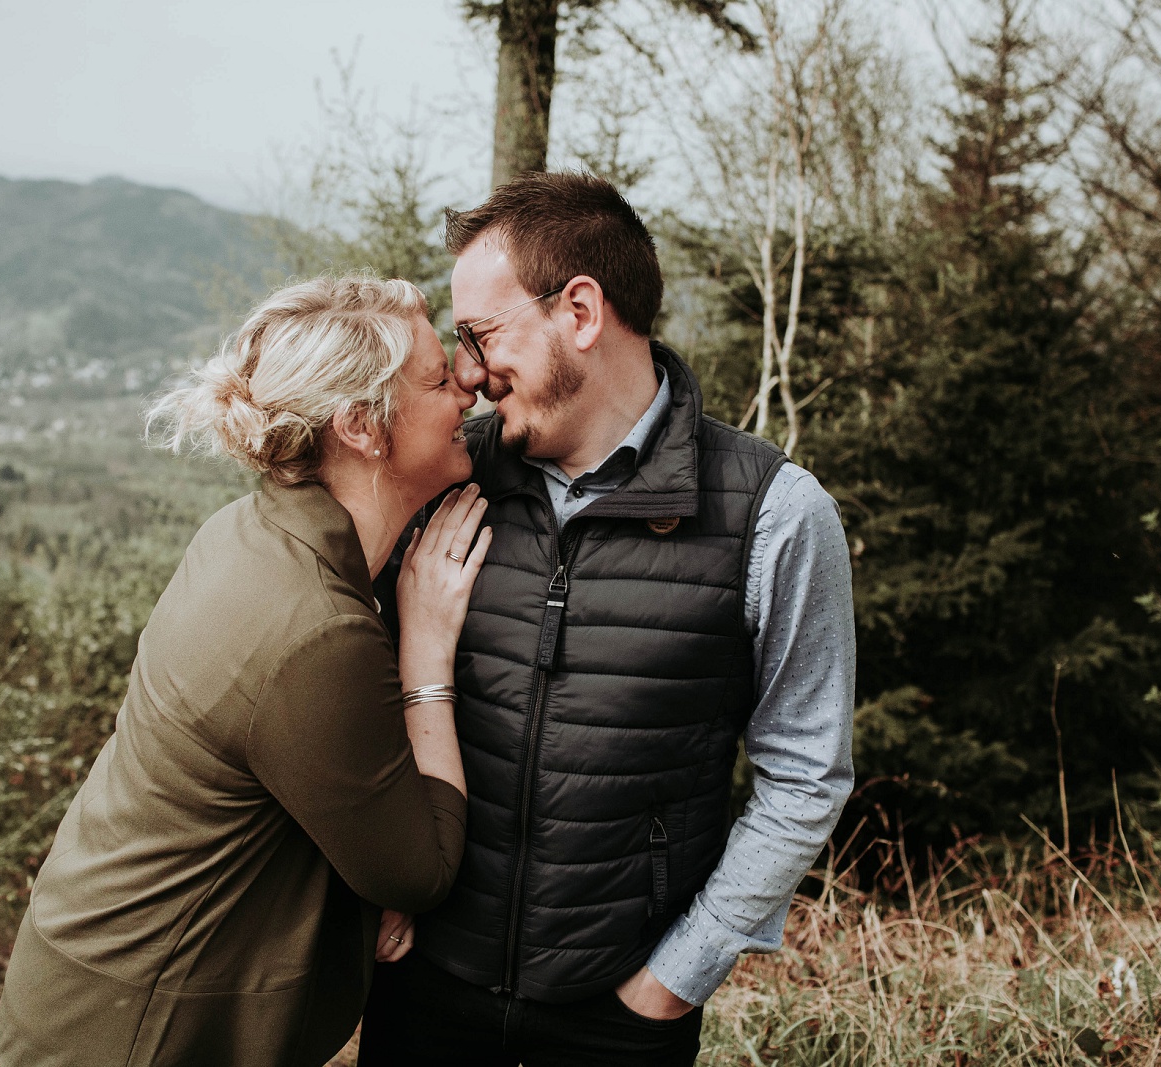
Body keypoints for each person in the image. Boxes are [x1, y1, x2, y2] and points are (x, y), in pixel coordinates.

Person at [358, 173, 856, 1066]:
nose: (467, 371)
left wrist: (670, 982)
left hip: (619, 1022)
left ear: (579, 311)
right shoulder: (442, 480)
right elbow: (343, 678)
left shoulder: (774, 514)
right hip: (421, 985)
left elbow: (805, 773)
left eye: (480, 334)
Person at [0, 275, 490, 1067]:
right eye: (436, 376)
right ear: (362, 425)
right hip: (132, 1031)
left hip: (84, 984)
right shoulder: (311, 625)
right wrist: (426, 646)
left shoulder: (248, 531)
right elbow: (420, 866)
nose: (469, 381)